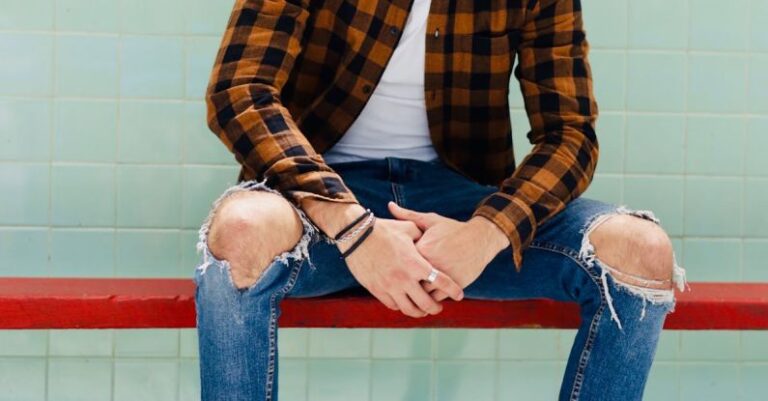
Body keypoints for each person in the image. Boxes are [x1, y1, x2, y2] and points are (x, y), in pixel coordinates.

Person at [193, 0, 688, 399]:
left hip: (460, 211)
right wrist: (354, 229)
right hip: (318, 202)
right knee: (242, 229)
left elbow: (571, 135)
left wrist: (486, 233)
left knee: (641, 251)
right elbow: (239, 91)